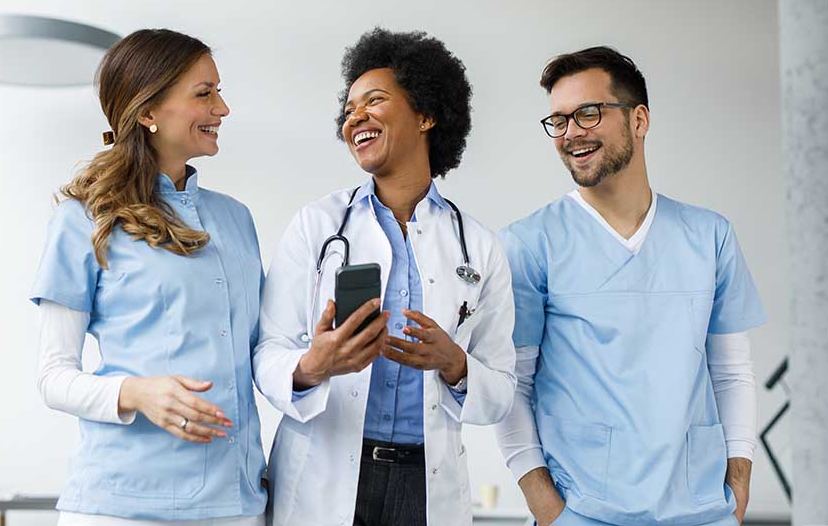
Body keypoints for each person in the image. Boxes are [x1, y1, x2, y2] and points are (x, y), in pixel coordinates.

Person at [253, 28, 516, 526]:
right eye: (349, 109)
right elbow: (267, 351)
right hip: (325, 478)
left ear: (425, 114)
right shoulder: (318, 224)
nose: (356, 117)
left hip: (426, 486)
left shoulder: (479, 247)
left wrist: (455, 363)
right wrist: (313, 365)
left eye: (374, 100)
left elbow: (502, 387)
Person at [495, 46, 765, 526]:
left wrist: (738, 481)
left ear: (639, 120)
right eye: (559, 120)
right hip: (582, 513)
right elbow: (512, 385)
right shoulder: (529, 244)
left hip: (702, 509)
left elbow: (732, 372)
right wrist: (546, 507)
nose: (572, 132)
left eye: (588, 113)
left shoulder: (709, 236)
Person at [30, 29, 266, 525]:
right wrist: (136, 393)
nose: (222, 109)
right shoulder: (84, 218)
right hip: (124, 507)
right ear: (148, 112)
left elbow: (258, 353)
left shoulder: (236, 219)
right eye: (204, 94)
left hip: (236, 502)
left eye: (219, 92)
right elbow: (54, 378)